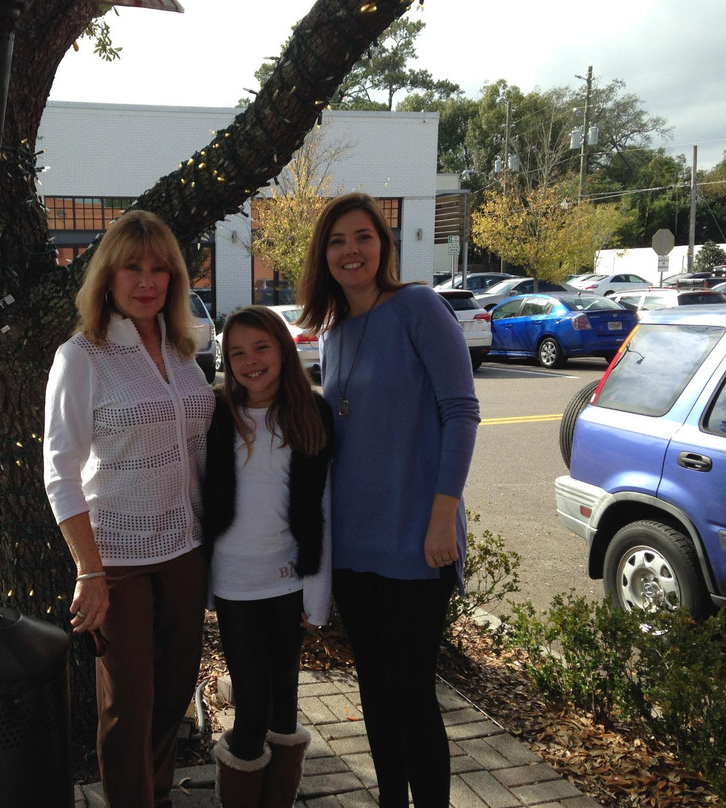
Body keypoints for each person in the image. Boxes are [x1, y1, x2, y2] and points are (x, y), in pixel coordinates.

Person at [297, 192, 481, 808]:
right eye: (337, 241)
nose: (351, 251)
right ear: (323, 256)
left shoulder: (418, 307)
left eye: (363, 237)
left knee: (411, 692)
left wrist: (442, 518)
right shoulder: (333, 333)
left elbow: (461, 412)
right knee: (374, 691)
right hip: (354, 545)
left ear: (384, 245)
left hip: (415, 539)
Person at [42, 210, 215, 808]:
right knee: (129, 706)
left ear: (174, 279)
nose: (146, 281)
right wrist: (89, 570)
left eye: (159, 269)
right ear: (107, 278)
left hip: (187, 550)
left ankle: (156, 793)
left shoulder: (182, 349)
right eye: (132, 268)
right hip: (118, 558)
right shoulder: (82, 356)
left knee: (174, 692)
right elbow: (60, 471)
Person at [201, 306, 333, 807]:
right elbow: (198, 495)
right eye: (237, 353)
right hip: (236, 584)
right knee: (253, 710)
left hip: (289, 582)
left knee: (284, 708)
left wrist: (317, 595)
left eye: (261, 348)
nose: (251, 361)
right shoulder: (216, 415)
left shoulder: (312, 414)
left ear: (282, 349)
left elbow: (322, 507)